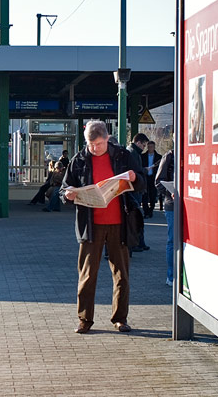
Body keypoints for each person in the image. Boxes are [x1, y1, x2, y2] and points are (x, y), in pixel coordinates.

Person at [62, 120, 145, 334]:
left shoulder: (123, 156)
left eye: (99, 144)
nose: (95, 149)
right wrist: (68, 194)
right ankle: (84, 319)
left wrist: (135, 178)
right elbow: (64, 188)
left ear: (107, 138)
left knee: (121, 273)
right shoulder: (79, 160)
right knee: (88, 274)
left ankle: (120, 318)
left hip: (119, 223)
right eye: (91, 145)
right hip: (91, 225)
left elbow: (142, 182)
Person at [127, 133, 149, 251]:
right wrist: (144, 170)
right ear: (138, 142)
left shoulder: (134, 152)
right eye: (143, 145)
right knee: (136, 217)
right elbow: (135, 171)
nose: (144, 148)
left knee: (137, 217)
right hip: (134, 190)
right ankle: (137, 243)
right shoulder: (132, 153)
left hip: (135, 190)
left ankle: (139, 242)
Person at [156, 149, 175, 286]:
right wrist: (170, 192)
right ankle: (171, 276)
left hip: (190, 205)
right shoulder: (169, 156)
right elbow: (158, 181)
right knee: (172, 240)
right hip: (172, 205)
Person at [141, 141, 162, 218]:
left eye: (152, 147)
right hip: (146, 178)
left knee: (153, 195)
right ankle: (146, 211)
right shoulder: (142, 156)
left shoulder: (159, 157)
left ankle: (151, 210)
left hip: (153, 178)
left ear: (154, 147)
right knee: (145, 195)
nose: (150, 148)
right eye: (149, 147)